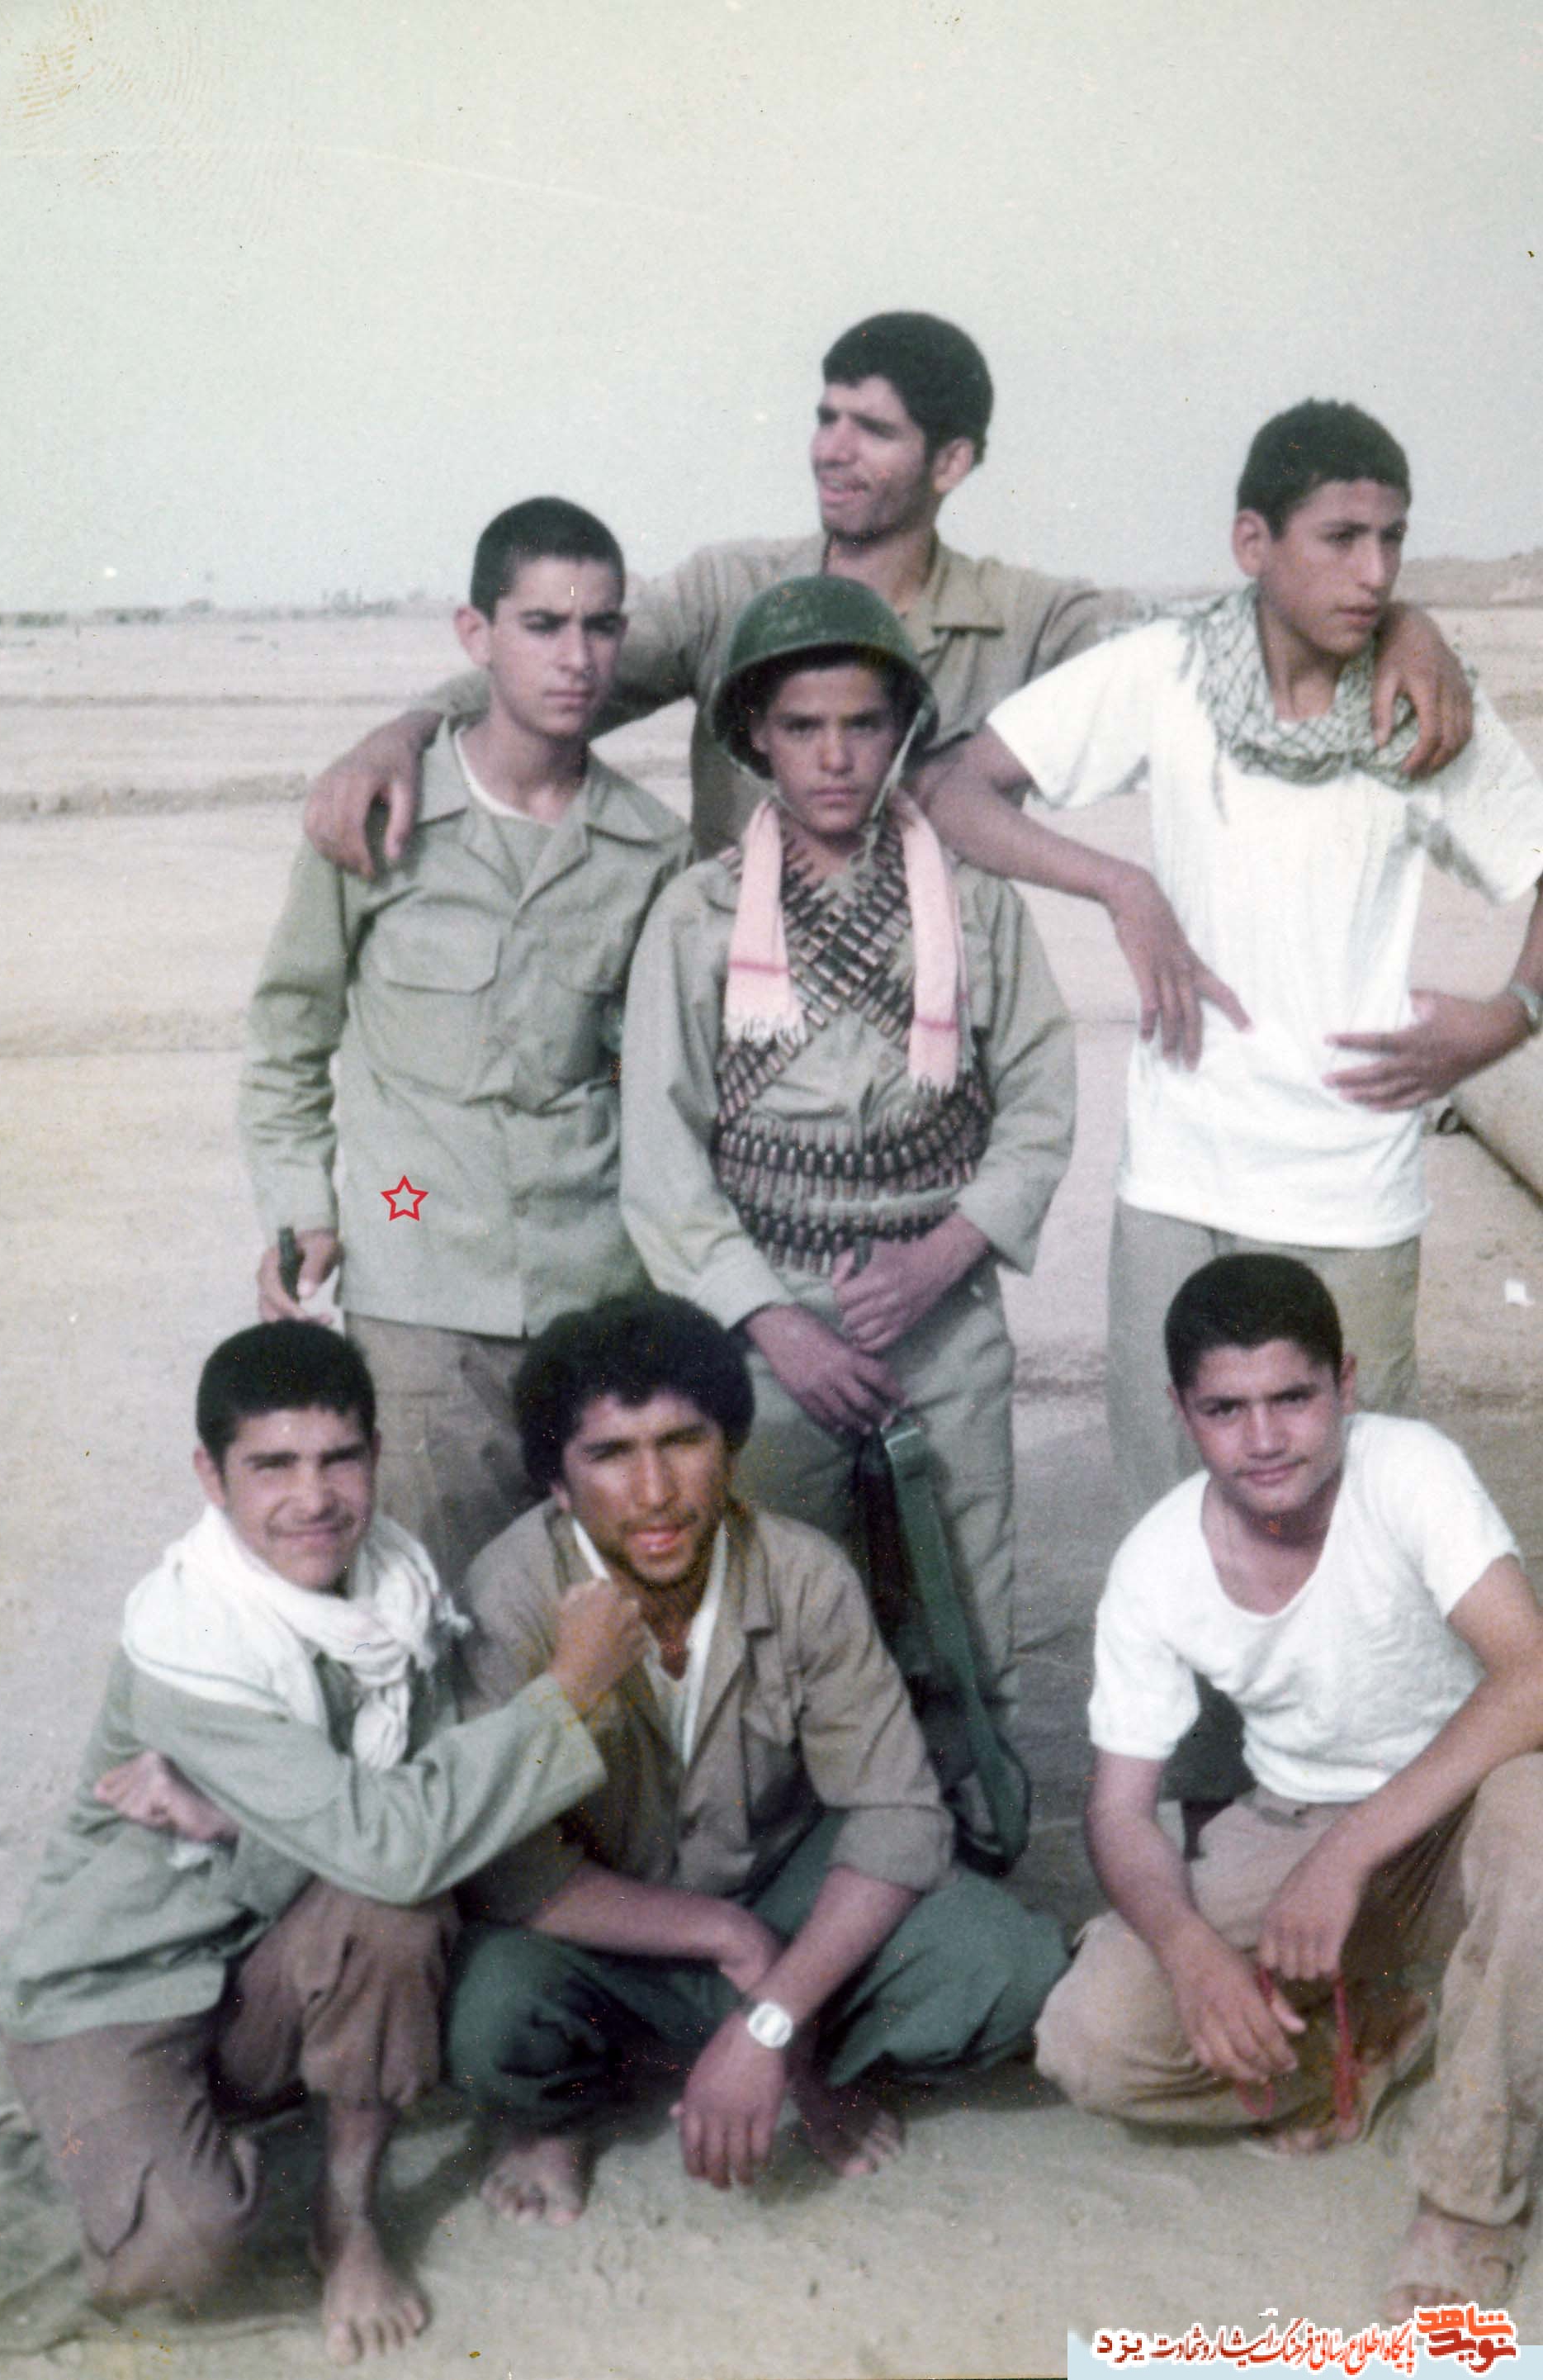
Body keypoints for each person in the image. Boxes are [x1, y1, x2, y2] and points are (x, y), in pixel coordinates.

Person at [301, 318, 1470, 1069]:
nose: (832, 448)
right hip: (733, 1027)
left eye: (873, 429)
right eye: (826, 417)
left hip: (921, 1052)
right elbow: (549, 678)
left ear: (951, 462)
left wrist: (1406, 624)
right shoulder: (730, 591)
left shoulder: (1025, 616)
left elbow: (1218, 641)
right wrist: (403, 729)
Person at [922, 397, 1543, 1810]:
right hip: (1179, 1186)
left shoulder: (1419, 704)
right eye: (1341, 537)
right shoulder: (1163, 673)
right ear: (1252, 542)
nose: (1374, 572)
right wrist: (1118, 883)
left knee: (1353, 1544)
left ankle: (1367, 1836)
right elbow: (958, 790)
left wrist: (1505, 1016)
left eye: (1392, 540)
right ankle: (1204, 1830)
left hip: (1349, 1191)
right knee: (1177, 1532)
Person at [0, 1322, 645, 2364]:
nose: (314, 1498)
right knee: (184, 2251)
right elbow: (395, 1830)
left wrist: (238, 1819)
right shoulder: (190, 1636)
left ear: (377, 1455)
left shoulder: (395, 1588)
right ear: (211, 1476)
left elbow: (408, 1834)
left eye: (340, 1458)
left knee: (395, 1908)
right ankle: (152, 2137)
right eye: (272, 1465)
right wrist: (566, 1690)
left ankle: (346, 2216)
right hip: (121, 1986)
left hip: (261, 1954)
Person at [444, 1294, 1069, 2222]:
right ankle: (558, 2115)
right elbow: (511, 1868)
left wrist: (773, 2015)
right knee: (488, 2016)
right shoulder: (508, 1595)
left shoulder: (802, 1570)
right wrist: (727, 1939)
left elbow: (899, 1817)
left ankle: (777, 2050)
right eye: (610, 1454)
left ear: (730, 1448)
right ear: (557, 1485)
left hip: (780, 1887)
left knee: (1008, 1966)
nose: (655, 1491)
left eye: (683, 1442)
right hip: (609, 1931)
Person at [616, 576, 1072, 1811]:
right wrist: (777, 1325)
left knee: (962, 1594)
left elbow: (1038, 1109)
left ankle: (971, 1831)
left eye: (863, 724)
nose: (834, 756)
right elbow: (662, 1156)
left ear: (902, 730)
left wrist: (942, 1256)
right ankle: (798, 1849)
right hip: (767, 1324)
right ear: (755, 737)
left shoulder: (975, 905)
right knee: (775, 1603)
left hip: (941, 1303)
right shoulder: (699, 919)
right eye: (802, 726)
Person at [1032, 1254, 1543, 2318]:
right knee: (1092, 2041)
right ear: (1181, 1411)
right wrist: (1189, 1950)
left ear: (1345, 1383)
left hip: (1462, 1807)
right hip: (1291, 1826)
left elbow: (1531, 1676)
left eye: (1292, 1397)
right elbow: (1118, 1809)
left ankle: (1468, 2201)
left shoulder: (1409, 1469)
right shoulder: (1156, 1563)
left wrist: (1349, 1849)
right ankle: (1381, 2030)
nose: (1263, 1438)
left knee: (1538, 1820)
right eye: (1225, 1408)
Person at [239, 497, 692, 1587]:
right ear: (475, 633)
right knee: (434, 1604)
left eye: (600, 625)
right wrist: (304, 1210)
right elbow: (289, 1036)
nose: (576, 657)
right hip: (417, 1269)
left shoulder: (651, 852)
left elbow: (659, 1086)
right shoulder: (379, 819)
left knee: (605, 1606)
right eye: (542, 624)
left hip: (595, 1293)